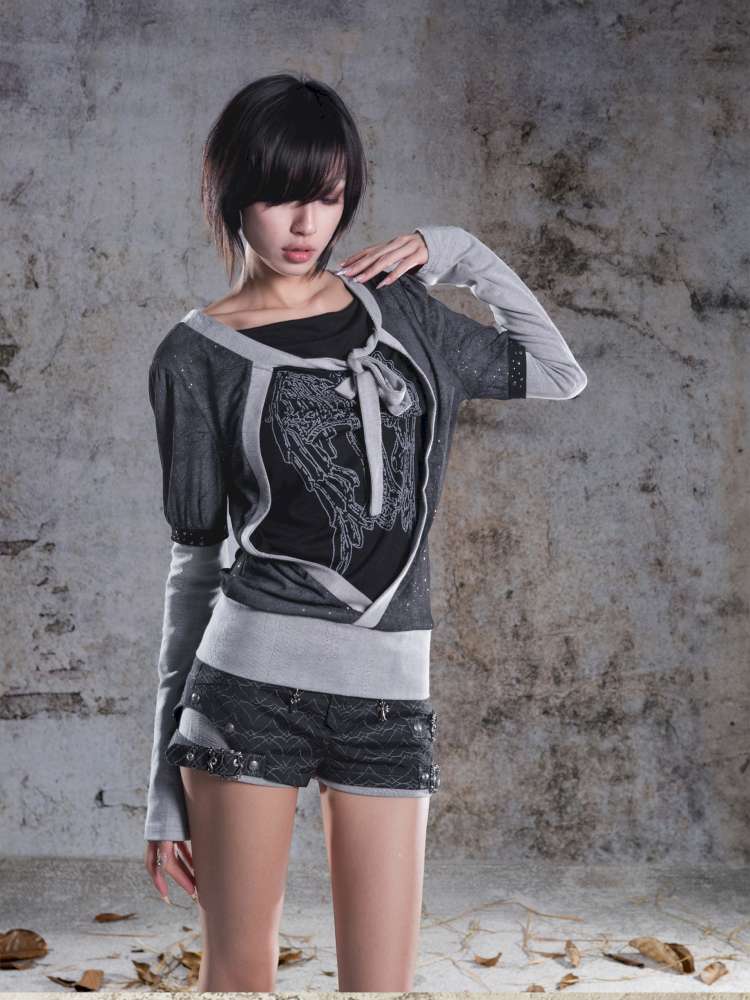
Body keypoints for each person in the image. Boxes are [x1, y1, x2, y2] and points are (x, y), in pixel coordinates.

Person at [142, 71, 587, 992]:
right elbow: (194, 570)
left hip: (388, 698)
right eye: (281, 196)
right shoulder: (195, 356)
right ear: (234, 193)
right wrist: (161, 791)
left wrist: (456, 249)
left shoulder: (406, 314)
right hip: (245, 687)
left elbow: (558, 372)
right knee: (237, 979)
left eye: (329, 196)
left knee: (381, 988)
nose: (307, 223)